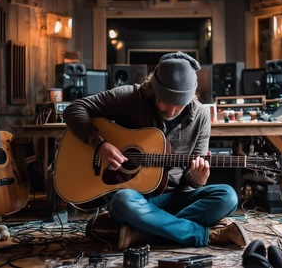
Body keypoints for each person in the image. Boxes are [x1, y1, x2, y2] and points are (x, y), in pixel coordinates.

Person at [63, 51, 249, 250]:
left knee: (228, 196)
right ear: (153, 88)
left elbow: (191, 181)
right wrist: (99, 145)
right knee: (121, 200)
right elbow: (74, 109)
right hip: (136, 198)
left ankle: (143, 232)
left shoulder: (202, 116)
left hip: (177, 197)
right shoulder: (129, 97)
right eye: (164, 103)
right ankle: (208, 235)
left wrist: (197, 178)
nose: (171, 112)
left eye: (179, 106)